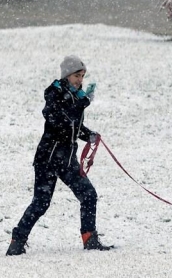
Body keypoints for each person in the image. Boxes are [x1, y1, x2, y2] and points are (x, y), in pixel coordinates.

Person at [6, 55, 113, 255]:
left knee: (88, 195)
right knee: (41, 203)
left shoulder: (76, 96)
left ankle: (89, 238)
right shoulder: (54, 93)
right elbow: (59, 121)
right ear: (66, 75)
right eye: (76, 76)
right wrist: (82, 104)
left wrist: (88, 135)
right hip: (48, 158)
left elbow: (73, 126)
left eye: (82, 76)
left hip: (67, 159)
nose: (80, 80)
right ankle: (17, 240)